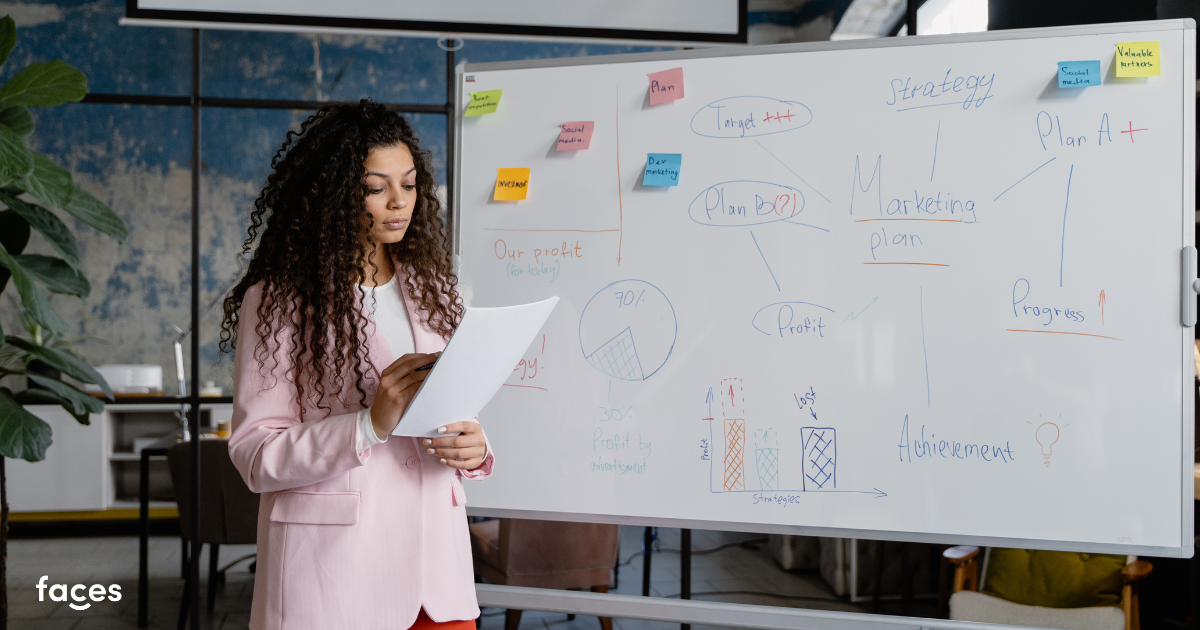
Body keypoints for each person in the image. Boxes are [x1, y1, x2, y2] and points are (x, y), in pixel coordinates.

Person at [221, 100, 493, 630]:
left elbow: (457, 412)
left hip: (437, 581)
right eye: (375, 187)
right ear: (335, 193)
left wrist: (475, 448)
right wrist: (368, 425)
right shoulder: (280, 300)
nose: (399, 201)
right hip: (335, 580)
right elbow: (254, 455)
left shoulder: (440, 292)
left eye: (409, 184)